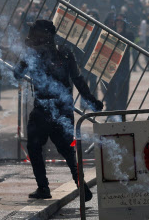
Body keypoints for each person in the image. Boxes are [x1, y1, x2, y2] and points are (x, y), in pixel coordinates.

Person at [14, 20, 103, 201]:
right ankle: (80, 184)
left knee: (34, 147)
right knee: (67, 150)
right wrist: (92, 100)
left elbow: (17, 73)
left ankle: (43, 188)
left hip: (43, 109)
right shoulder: (65, 52)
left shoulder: (33, 53)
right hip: (64, 109)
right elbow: (78, 80)